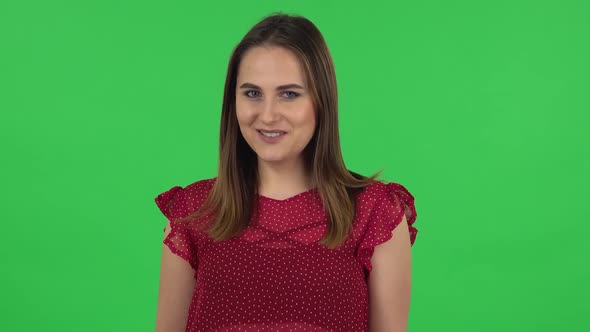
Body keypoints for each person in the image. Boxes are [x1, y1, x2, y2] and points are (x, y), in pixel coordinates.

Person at [154, 12, 418, 332]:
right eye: (252, 93)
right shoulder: (192, 213)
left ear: (321, 101)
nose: (267, 115)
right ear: (232, 102)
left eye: (289, 94)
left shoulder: (376, 212)